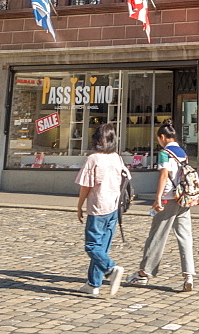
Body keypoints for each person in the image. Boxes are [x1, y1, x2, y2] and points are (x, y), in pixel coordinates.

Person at [127, 120, 195, 292]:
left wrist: (157, 198)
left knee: (157, 236)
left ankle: (143, 274)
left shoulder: (165, 153)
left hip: (168, 199)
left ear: (163, 137)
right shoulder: (182, 152)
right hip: (183, 199)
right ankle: (189, 275)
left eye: (159, 139)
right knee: (185, 237)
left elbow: (164, 176)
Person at [75, 123, 127, 297]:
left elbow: (85, 185)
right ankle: (93, 283)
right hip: (113, 207)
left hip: (98, 207)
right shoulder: (116, 158)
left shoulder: (94, 159)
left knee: (92, 246)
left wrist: (79, 205)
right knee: (101, 248)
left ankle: (111, 269)